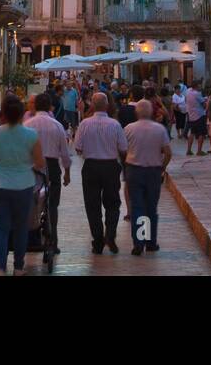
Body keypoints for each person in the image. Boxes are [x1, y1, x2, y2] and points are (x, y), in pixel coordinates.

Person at [0, 94, 45, 275]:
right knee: (20, 228)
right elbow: (40, 162)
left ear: (2, 114)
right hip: (23, 185)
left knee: (1, 228)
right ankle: (18, 267)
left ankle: (0, 268)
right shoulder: (31, 135)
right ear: (21, 114)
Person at [74, 92, 127, 254]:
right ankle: (110, 234)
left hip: (91, 167)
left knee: (92, 205)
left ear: (92, 106)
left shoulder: (84, 124)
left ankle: (97, 240)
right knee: (112, 203)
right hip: (110, 166)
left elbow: (78, 147)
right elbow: (123, 148)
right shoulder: (115, 124)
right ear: (107, 105)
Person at [123, 99, 171, 255]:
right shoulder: (159, 129)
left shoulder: (129, 129)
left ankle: (138, 243)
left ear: (137, 112)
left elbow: (123, 148)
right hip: (153, 171)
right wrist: (162, 167)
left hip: (134, 170)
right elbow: (168, 152)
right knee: (151, 207)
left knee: (137, 206)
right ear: (151, 112)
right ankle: (150, 242)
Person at [25, 91, 71, 252]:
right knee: (52, 205)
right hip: (51, 167)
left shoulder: (28, 125)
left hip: (32, 168)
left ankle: (31, 237)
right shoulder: (57, 125)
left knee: (31, 203)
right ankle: (53, 241)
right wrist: (67, 172)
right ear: (50, 106)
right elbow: (65, 153)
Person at [184, 80, 208, 156]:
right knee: (201, 133)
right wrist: (206, 102)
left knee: (192, 133)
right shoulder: (197, 94)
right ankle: (199, 151)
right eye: (200, 85)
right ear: (197, 86)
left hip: (191, 115)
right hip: (199, 115)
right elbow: (204, 105)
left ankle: (188, 150)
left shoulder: (188, 91)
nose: (201, 86)